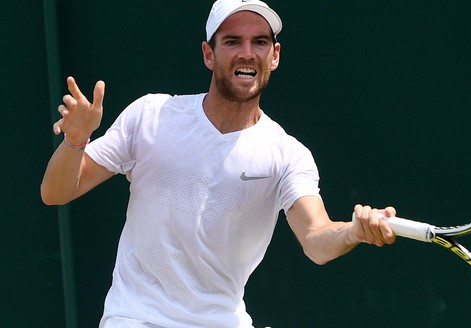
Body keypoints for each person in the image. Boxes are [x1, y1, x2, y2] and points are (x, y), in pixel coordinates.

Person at [41, 0, 397, 327]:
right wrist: (76, 141)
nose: (247, 53)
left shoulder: (287, 154)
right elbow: (55, 192)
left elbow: (316, 238)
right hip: (135, 318)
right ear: (208, 55)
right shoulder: (150, 116)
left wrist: (352, 231)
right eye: (232, 42)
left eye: (259, 42)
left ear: (274, 55)